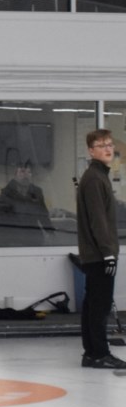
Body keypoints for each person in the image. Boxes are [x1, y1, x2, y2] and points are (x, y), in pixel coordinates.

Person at [77, 129, 126, 370]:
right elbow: (98, 220)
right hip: (99, 255)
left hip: (95, 254)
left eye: (109, 144)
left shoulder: (98, 176)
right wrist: (108, 253)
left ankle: (91, 353)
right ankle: (99, 354)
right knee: (99, 306)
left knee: (92, 304)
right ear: (91, 151)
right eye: (101, 145)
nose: (108, 148)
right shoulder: (95, 178)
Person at [0, 160, 54, 246]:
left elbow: (44, 217)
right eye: (22, 171)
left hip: (34, 241)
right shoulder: (4, 198)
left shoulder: (37, 193)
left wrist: (51, 235)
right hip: (13, 243)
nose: (26, 175)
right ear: (15, 175)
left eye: (29, 172)